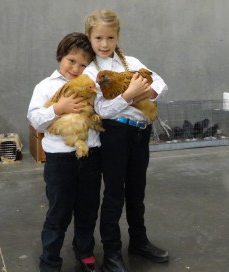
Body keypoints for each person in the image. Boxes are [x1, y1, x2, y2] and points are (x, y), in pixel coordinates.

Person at [83, 10, 169, 272]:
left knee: (136, 191)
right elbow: (102, 111)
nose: (105, 44)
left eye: (110, 37)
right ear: (90, 37)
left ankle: (139, 241)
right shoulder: (90, 72)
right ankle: (111, 252)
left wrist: (150, 92)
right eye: (99, 38)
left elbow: (160, 81)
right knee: (113, 194)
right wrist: (131, 95)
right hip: (115, 136)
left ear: (118, 36)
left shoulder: (130, 61)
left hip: (140, 133)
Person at [27, 32, 101, 272]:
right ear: (61, 56)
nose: (76, 68)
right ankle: (49, 260)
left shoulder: (92, 87)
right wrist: (58, 108)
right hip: (60, 160)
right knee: (58, 212)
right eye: (71, 60)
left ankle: (85, 251)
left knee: (88, 209)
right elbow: (36, 120)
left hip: (90, 155)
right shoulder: (46, 86)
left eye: (83, 64)